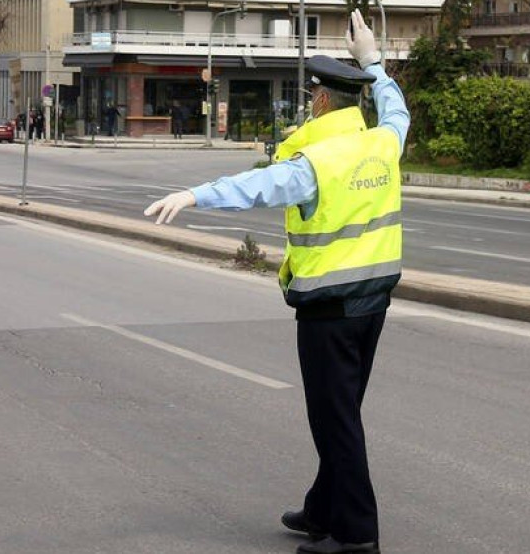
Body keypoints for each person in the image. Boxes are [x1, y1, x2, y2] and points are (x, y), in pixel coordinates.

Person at [144, 11, 407, 554]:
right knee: (343, 413)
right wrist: (373, 61)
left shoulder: (318, 159)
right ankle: (322, 510)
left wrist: (194, 194)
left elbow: (259, 186)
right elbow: (396, 108)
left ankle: (357, 537)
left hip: (329, 310)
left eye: (311, 94)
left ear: (319, 101)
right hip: (374, 303)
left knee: (335, 422)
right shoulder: (383, 142)